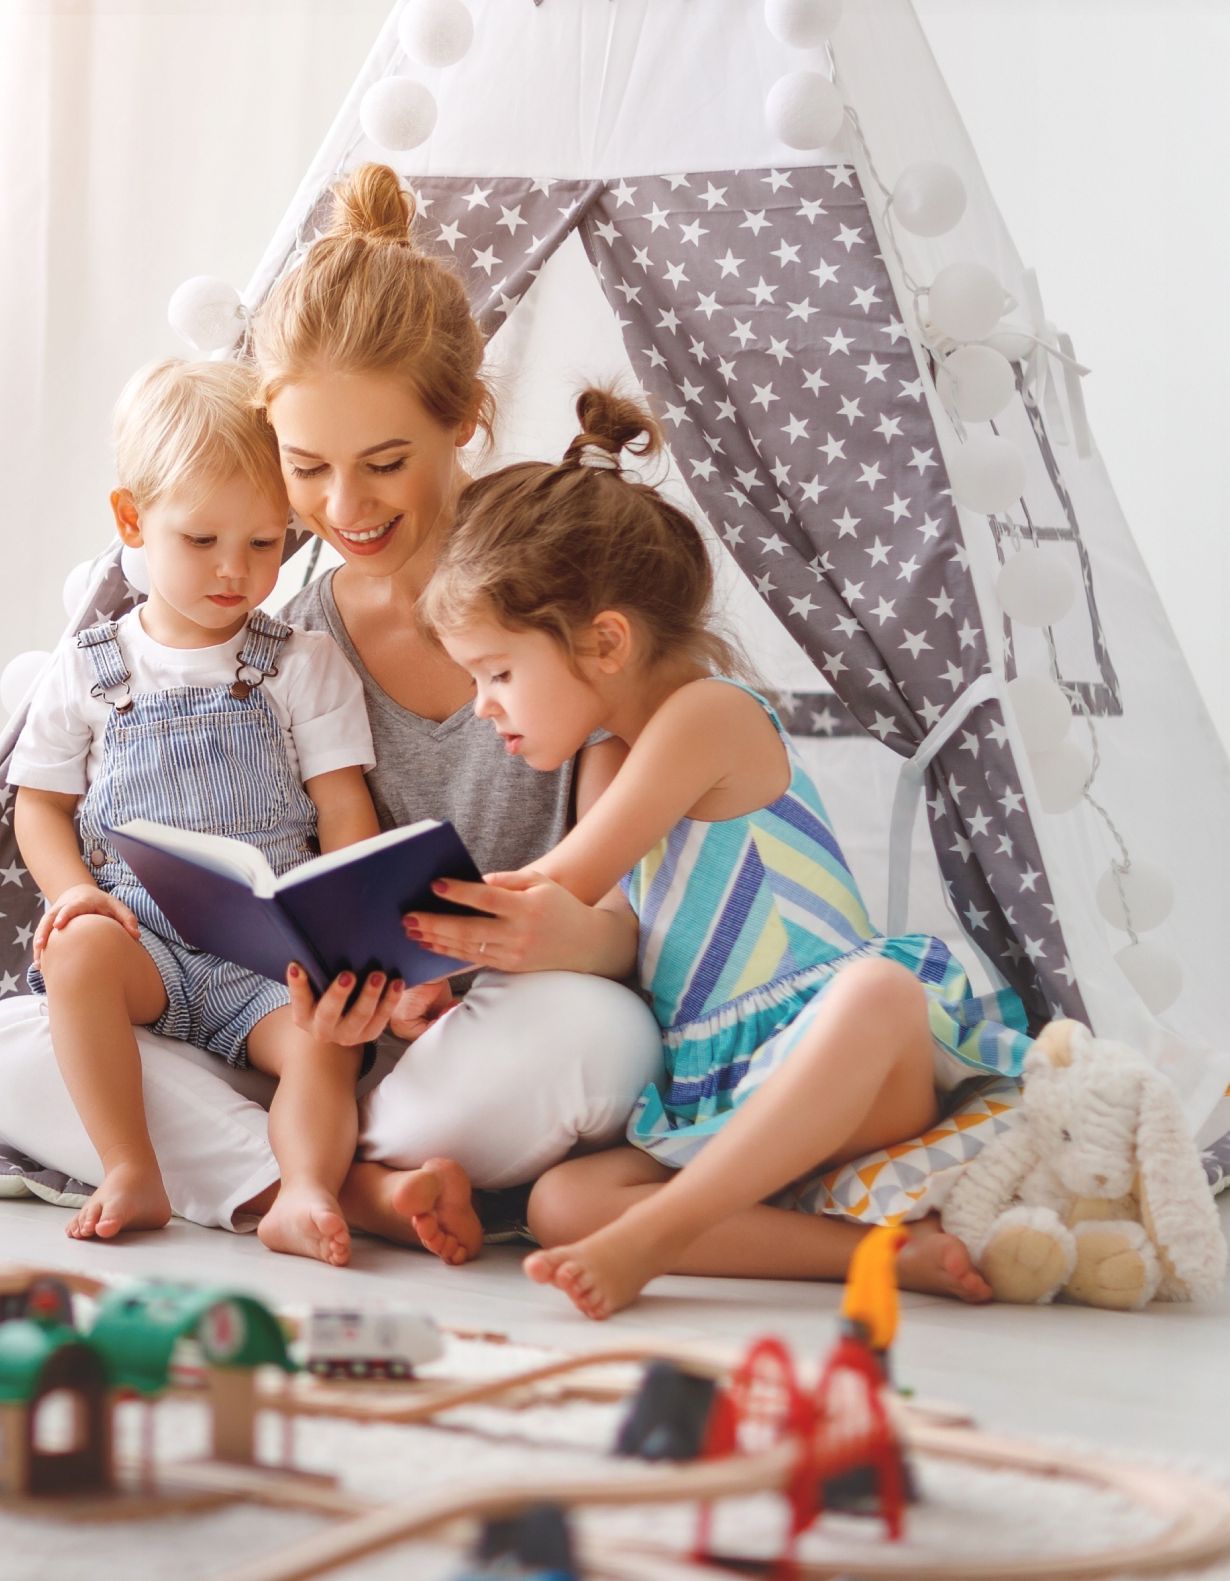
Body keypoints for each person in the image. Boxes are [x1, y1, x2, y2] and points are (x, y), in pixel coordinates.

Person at [0, 162, 663, 1262]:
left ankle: (307, 1165)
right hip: (304, 1031)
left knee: (595, 1037)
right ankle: (344, 1188)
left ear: (463, 421)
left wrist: (551, 938)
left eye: (384, 463)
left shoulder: (553, 582)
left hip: (478, 1032)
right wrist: (335, 985)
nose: (343, 507)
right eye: (306, 469)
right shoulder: (291, 636)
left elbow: (634, 918)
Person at [414, 385, 1019, 1319]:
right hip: (729, 1089)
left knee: (879, 991)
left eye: (497, 672)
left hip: (843, 1063)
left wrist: (417, 934)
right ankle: (891, 1257)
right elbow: (600, 928)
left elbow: (559, 881)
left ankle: (656, 1236)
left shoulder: (710, 716)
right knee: (559, 1202)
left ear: (605, 641)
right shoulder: (610, 755)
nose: (482, 704)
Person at [10, 357, 386, 1267]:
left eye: (264, 542)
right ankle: (130, 1168)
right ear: (132, 520)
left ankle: (303, 1191)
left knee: (322, 1039)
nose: (235, 570)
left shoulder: (302, 663)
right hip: (142, 940)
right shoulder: (89, 667)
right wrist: (72, 895)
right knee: (75, 953)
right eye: (202, 538)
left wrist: (347, 932)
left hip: (266, 951)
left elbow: (344, 807)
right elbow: (40, 809)